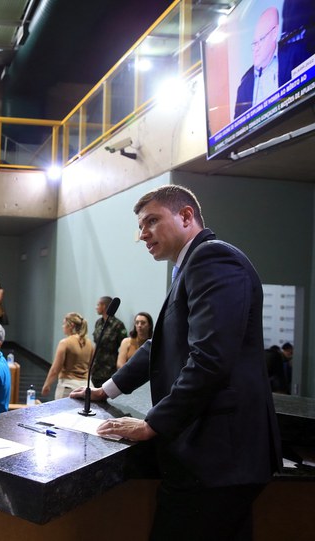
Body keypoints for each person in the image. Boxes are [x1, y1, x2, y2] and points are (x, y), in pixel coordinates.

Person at [71, 185, 281, 540]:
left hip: (217, 456)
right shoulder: (190, 266)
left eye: (152, 221)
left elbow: (210, 358)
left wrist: (153, 423)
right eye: (140, 226)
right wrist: (107, 389)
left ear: (186, 216)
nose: (143, 234)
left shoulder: (212, 259)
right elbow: (163, 343)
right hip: (219, 458)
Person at [234, 6, 309, 118]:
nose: (256, 49)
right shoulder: (244, 85)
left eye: (261, 40)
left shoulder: (296, 54)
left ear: (274, 33)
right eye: (254, 43)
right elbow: (239, 125)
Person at [41, 313, 94, 399]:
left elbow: (55, 369)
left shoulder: (65, 343)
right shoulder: (89, 343)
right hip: (86, 387)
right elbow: (91, 366)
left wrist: (47, 384)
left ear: (71, 325)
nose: (62, 326)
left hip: (68, 387)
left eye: (64, 323)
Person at [91, 296, 127, 387]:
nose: (96, 307)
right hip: (96, 370)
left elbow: (124, 346)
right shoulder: (98, 323)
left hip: (109, 370)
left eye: (98, 305)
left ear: (103, 306)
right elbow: (96, 344)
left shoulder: (118, 325)